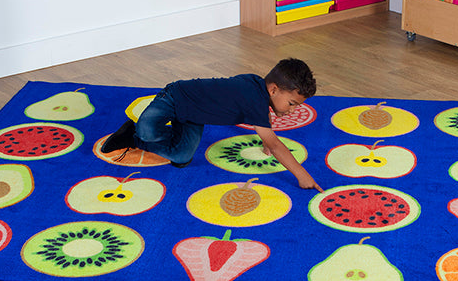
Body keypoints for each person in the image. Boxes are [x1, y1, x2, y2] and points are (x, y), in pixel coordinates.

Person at [101, 58, 323, 190]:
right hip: (176, 97)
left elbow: (262, 117)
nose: (292, 110)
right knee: (148, 130)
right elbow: (274, 145)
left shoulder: (258, 86)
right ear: (273, 89)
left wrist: (268, 133)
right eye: (292, 104)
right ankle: (135, 132)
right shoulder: (254, 97)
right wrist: (302, 175)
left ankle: (131, 138)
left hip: (194, 116)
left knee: (181, 158)